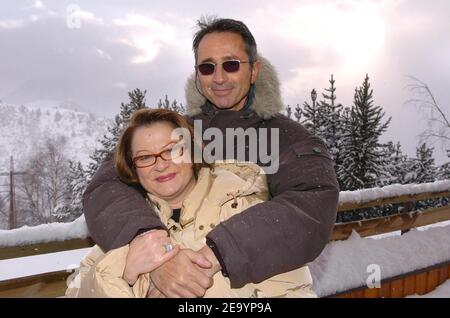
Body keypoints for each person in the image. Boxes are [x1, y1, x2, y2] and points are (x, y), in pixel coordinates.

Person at [83, 17, 339, 297]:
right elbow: (106, 186)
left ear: (254, 70)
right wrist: (151, 247)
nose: (218, 78)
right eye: (207, 67)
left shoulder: (288, 138)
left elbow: (310, 204)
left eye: (231, 65)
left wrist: (217, 253)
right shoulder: (177, 131)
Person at [66, 108, 315, 298]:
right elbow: (75, 291)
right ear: (133, 169)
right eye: (144, 157)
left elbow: (295, 290)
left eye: (172, 150)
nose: (160, 164)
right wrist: (125, 271)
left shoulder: (247, 213)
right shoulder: (127, 231)